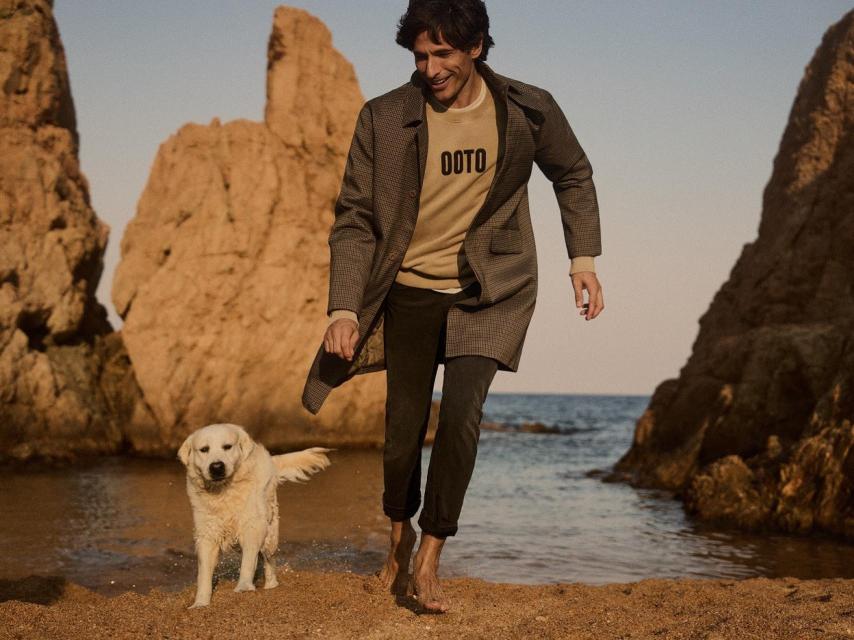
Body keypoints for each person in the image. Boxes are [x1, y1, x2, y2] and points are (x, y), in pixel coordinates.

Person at [302, 0, 604, 613]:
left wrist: (583, 260)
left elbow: (572, 173)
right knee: (402, 431)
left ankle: (431, 555)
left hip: (489, 290)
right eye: (420, 56)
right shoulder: (385, 117)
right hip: (409, 290)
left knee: (462, 416)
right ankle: (398, 536)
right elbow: (355, 216)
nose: (431, 68)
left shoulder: (528, 109)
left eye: (443, 53)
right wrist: (344, 309)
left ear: (476, 47)